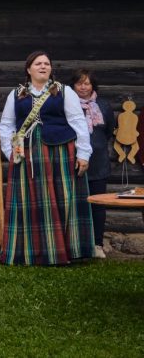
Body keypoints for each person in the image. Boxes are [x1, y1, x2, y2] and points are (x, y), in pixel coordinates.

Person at [0, 51, 93, 265]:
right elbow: (6, 126)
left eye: (46, 64)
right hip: (28, 155)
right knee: (29, 204)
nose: (43, 67)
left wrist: (83, 153)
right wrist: (10, 153)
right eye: (38, 64)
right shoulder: (16, 95)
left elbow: (79, 122)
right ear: (28, 69)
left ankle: (64, 252)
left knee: (62, 201)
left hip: (60, 153)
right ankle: (30, 252)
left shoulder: (64, 91)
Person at [69, 69, 116, 259]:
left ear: (93, 86)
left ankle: (97, 244)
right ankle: (76, 244)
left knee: (98, 205)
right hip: (74, 161)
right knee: (75, 203)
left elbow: (108, 131)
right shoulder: (69, 105)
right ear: (73, 86)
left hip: (98, 163)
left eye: (87, 83)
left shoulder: (103, 106)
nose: (83, 87)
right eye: (79, 83)